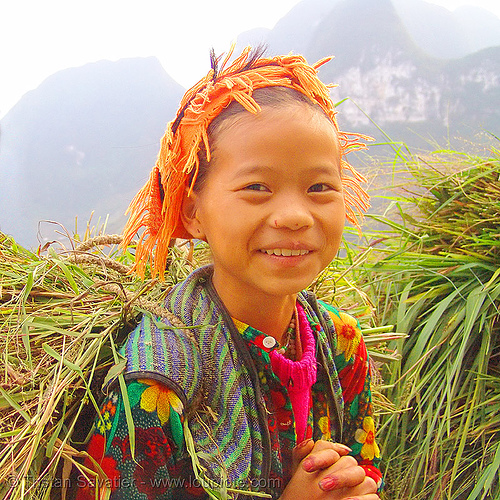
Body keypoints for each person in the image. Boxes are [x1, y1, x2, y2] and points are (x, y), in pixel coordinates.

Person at [75, 46, 383, 500]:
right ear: (194, 213)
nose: (296, 215)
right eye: (257, 188)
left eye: (320, 187)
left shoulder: (340, 340)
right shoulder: (157, 383)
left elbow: (367, 469)